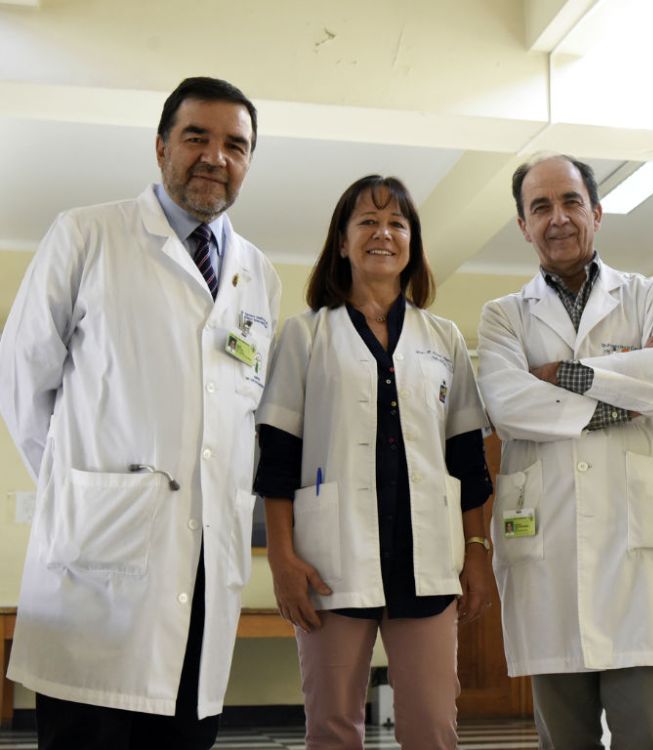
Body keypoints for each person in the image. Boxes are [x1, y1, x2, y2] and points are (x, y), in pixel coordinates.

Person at [0, 77, 281, 749]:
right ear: (160, 148)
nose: (216, 157)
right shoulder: (86, 234)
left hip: (206, 568)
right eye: (197, 138)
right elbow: (21, 381)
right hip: (97, 567)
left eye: (235, 145)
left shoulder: (258, 274)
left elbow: (242, 418)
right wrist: (86, 494)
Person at [254, 174, 493, 749]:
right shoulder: (304, 335)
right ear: (342, 241)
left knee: (433, 727)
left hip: (427, 557)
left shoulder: (445, 339)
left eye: (397, 223)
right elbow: (278, 460)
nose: (383, 233)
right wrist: (281, 557)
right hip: (330, 562)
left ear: (412, 242)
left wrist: (478, 553)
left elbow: (468, 460)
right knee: (333, 726)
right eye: (367, 221)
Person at [477, 153, 653, 749]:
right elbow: (509, 406)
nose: (558, 219)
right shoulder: (503, 318)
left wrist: (565, 375)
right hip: (550, 560)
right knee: (563, 743)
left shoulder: (650, 294)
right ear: (523, 225)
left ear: (596, 212)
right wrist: (626, 396)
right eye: (540, 207)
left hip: (639, 563)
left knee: (649, 735)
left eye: (571, 202)